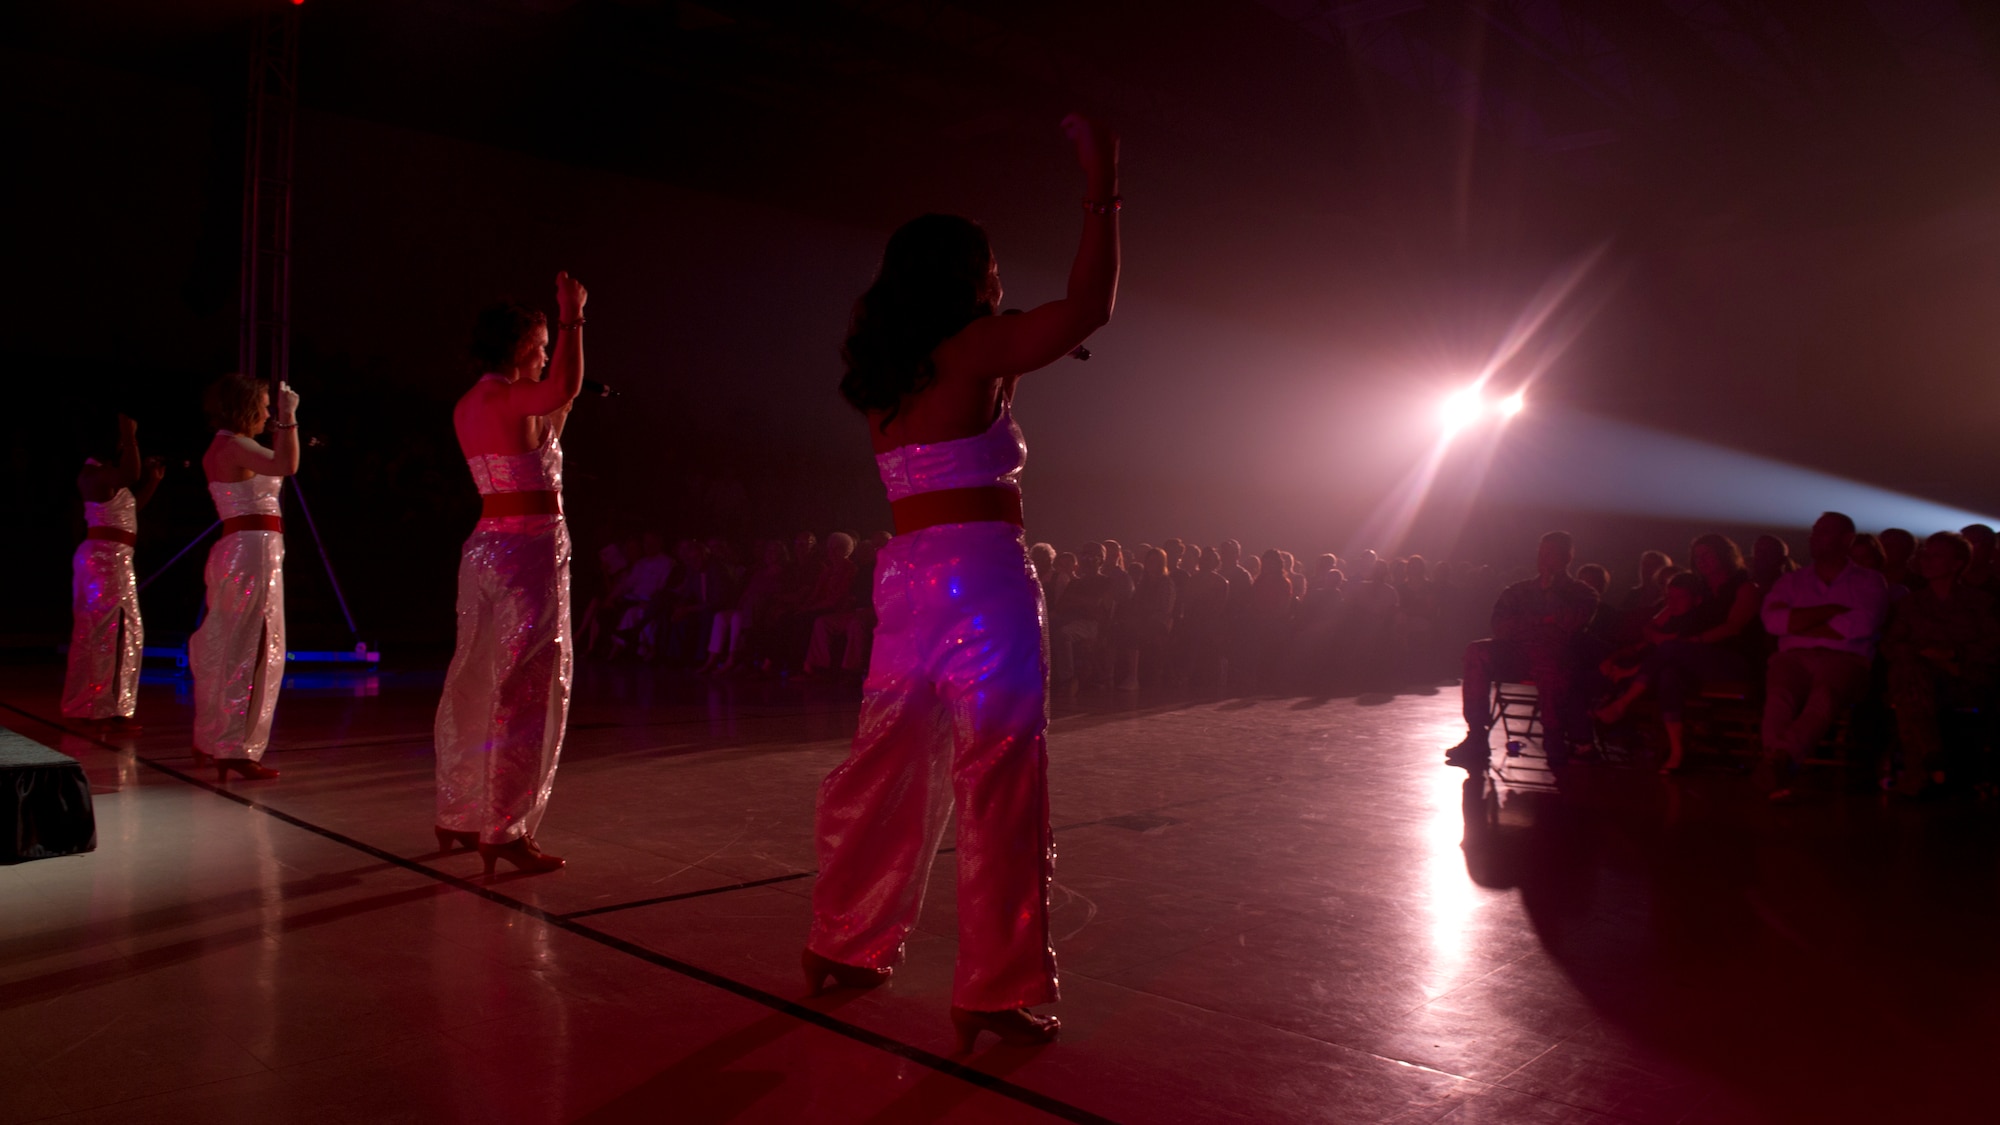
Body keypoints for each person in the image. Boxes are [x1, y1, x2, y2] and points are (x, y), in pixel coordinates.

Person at [805, 113, 1118, 1052]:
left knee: (888, 760)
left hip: (905, 580)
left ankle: (844, 941)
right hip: (982, 578)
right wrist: (1104, 185)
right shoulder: (977, 348)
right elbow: (1092, 306)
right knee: (1001, 773)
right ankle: (993, 984)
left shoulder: (886, 370)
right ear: (969, 277)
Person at [433, 274, 587, 875]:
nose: (546, 351)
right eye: (542, 341)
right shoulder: (505, 397)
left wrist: (559, 405)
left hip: (485, 547)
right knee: (525, 685)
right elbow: (564, 383)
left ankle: (460, 811)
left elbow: (541, 436)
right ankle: (503, 827)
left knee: (473, 675)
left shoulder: (473, 404)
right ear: (519, 343)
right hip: (526, 549)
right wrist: (573, 315)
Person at [190, 373, 301, 781]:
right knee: (254, 645)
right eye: (265, 407)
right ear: (248, 408)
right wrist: (290, 419)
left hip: (241, 549)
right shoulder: (235, 446)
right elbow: (286, 464)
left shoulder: (229, 445)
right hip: (252, 552)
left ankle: (214, 739)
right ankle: (234, 746)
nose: (269, 413)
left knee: (227, 642)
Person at [1758, 512, 1892, 800]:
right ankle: (1779, 763)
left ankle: (1777, 760)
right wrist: (1832, 611)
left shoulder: (1869, 581)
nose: (1814, 537)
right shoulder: (1793, 581)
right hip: (1795, 656)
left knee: (1824, 696)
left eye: (1824, 532)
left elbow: (1863, 625)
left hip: (1845, 658)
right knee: (1780, 695)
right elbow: (1773, 622)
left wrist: (1801, 624)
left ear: (1847, 539)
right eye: (1814, 532)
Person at [1446, 532, 1598, 770]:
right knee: (1477, 651)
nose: (1544, 559)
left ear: (1567, 557)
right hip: (1517, 653)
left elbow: (1572, 623)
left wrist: (1549, 601)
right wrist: (1544, 621)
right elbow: (1500, 625)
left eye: (1551, 554)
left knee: (1549, 659)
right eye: (1541, 553)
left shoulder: (1581, 593)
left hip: (1556, 657)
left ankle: (1554, 736)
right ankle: (1476, 734)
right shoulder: (1519, 591)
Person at [61, 413, 164, 725]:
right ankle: (104, 707)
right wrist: (131, 435)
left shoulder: (104, 475)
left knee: (111, 630)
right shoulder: (96, 474)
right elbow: (131, 475)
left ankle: (100, 705)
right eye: (120, 441)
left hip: (112, 556)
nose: (124, 445)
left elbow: (129, 507)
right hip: (107, 558)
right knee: (112, 631)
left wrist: (154, 482)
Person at [1882, 532, 1997, 795]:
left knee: (1910, 685)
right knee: (1911, 674)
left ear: (1956, 564)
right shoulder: (1911, 604)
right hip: (1919, 678)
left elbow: (1993, 644)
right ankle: (1931, 753)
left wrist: (1953, 654)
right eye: (1926, 555)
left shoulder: (1980, 603)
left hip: (1966, 677)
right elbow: (1891, 644)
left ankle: (1921, 769)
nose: (1927, 561)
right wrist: (1923, 654)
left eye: (1936, 556)